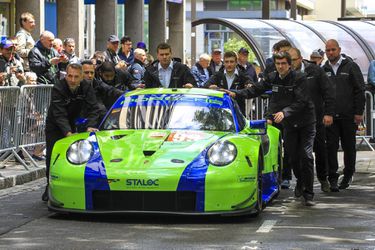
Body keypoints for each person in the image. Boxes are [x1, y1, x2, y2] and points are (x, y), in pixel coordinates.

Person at [227, 52, 316, 206]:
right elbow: (255, 90)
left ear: (289, 64)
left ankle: (308, 193)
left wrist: (285, 112)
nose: (280, 67)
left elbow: (302, 102)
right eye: (278, 63)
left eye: (283, 63)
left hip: (305, 121)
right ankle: (300, 181)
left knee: (306, 155)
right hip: (289, 124)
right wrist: (235, 93)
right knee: (293, 156)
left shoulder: (299, 78)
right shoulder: (272, 77)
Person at [43, 63, 100, 201]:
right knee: (52, 156)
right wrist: (68, 133)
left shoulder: (86, 86)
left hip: (74, 122)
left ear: (81, 77)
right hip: (55, 124)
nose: (72, 80)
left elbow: (94, 108)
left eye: (76, 77)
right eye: (69, 76)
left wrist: (90, 126)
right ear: (66, 75)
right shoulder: (58, 87)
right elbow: (59, 114)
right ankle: (49, 186)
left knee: (76, 155)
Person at [289, 47, 335, 192]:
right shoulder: (285, 73)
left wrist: (329, 113)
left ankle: (323, 178)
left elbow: (328, 91)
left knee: (319, 150)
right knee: (296, 154)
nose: (291, 64)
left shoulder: (315, 71)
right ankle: (300, 181)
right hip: (295, 120)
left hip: (316, 118)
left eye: (294, 60)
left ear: (301, 58)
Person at [322, 39, 366, 191]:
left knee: (349, 147)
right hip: (331, 116)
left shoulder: (351, 66)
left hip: (349, 115)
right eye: (328, 50)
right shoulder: (324, 69)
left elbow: (360, 90)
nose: (330, 53)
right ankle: (332, 178)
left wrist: (359, 112)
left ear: (339, 50)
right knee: (331, 147)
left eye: (333, 50)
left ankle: (348, 174)